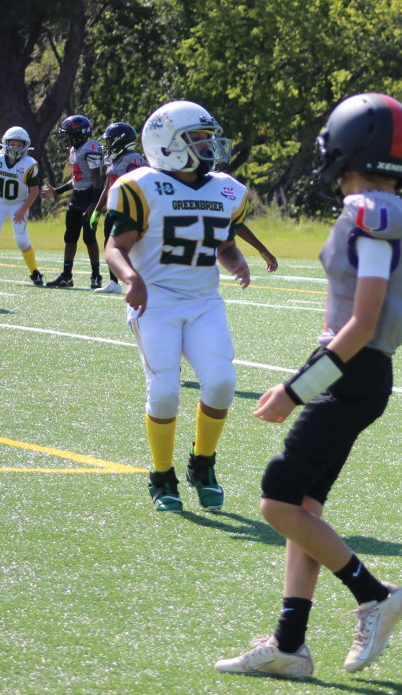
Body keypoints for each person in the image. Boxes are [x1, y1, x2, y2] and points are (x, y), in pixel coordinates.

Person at [215, 92, 402, 679]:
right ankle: (290, 645)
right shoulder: (395, 208)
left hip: (349, 370)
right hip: (358, 370)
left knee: (277, 497)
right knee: (306, 506)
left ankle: (374, 594)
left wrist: (295, 389)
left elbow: (362, 321)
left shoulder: (371, 212)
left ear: (349, 148)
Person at [104, 101, 251, 513]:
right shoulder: (141, 186)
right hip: (157, 301)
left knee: (222, 382)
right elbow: (115, 247)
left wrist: (235, 260)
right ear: (166, 144)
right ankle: (161, 474)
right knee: (166, 390)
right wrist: (130, 278)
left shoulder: (227, 189)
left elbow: (221, 241)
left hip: (204, 301)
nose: (208, 146)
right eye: (198, 138)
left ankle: (202, 464)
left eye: (207, 138)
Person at [41, 114, 106, 288]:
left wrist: (94, 205)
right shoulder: (74, 149)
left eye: (69, 134)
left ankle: (96, 276)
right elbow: (77, 179)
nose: (67, 137)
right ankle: (66, 276)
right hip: (77, 196)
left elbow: (98, 180)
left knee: (89, 237)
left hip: (90, 196)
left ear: (79, 134)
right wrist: (57, 191)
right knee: (70, 236)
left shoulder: (91, 147)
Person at [0, 126, 44, 285]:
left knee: (22, 241)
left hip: (18, 204)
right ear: (5, 143)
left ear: (25, 147)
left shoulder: (29, 164)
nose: (15, 147)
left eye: (19, 145)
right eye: (13, 143)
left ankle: (34, 272)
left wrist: (23, 209)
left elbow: (34, 191)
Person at [91, 123, 144, 294]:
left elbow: (138, 184)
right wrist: (97, 210)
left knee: (132, 247)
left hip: (128, 210)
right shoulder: (113, 160)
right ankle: (114, 282)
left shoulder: (133, 159)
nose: (108, 144)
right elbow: (107, 188)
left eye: (111, 140)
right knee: (110, 245)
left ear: (121, 141)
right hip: (113, 210)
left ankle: (138, 280)